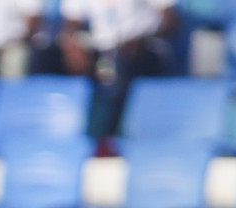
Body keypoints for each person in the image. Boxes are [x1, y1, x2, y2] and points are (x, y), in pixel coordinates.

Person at [57, 0, 179, 136]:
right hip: (102, 49)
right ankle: (93, 138)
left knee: (119, 66)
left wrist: (142, 40)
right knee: (80, 61)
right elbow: (72, 23)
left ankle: (111, 136)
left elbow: (170, 21)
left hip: (145, 49)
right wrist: (74, 45)